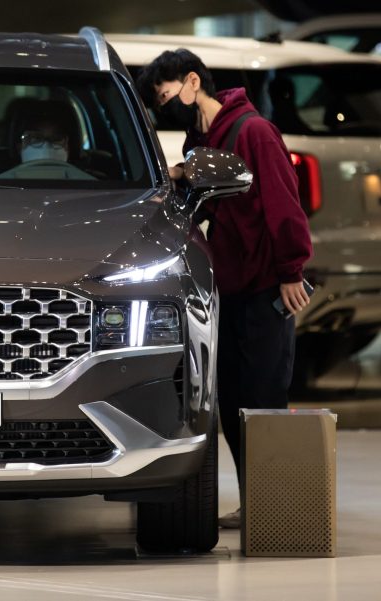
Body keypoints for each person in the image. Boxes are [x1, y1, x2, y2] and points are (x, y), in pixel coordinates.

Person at [138, 49, 313, 529]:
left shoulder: (253, 132)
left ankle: (274, 509)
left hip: (263, 289)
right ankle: (258, 503)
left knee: (262, 399)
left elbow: (283, 204)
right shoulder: (204, 141)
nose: (164, 106)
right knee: (233, 398)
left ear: (193, 82)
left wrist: (291, 269)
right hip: (230, 287)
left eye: (167, 95)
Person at [0, 113, 94, 180]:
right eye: (36, 138)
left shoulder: (93, 187)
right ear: (19, 147)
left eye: (56, 138)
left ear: (67, 147)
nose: (46, 145)